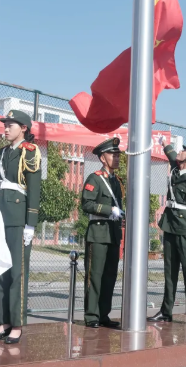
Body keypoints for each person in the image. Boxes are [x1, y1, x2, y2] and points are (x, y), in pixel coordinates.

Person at [0, 110, 41, 344]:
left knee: (17, 272)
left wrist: (30, 224)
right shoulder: (2, 152)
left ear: (23, 128)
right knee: (1, 272)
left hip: (18, 218)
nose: (6, 129)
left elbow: (34, 188)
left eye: (11, 125)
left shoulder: (29, 151)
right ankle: (3, 322)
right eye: (5, 125)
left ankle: (16, 324)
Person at [148, 138, 186, 327]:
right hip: (170, 226)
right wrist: (163, 143)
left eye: (184, 151)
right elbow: (171, 154)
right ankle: (166, 311)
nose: (179, 152)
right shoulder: (176, 168)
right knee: (170, 272)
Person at [80, 137, 124, 328]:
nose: (117, 158)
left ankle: (103, 315)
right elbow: (86, 203)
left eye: (118, 155)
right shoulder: (95, 178)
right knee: (95, 275)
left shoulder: (117, 181)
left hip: (113, 233)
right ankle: (91, 315)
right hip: (98, 232)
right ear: (102, 158)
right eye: (113, 155)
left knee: (109, 276)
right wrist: (108, 210)